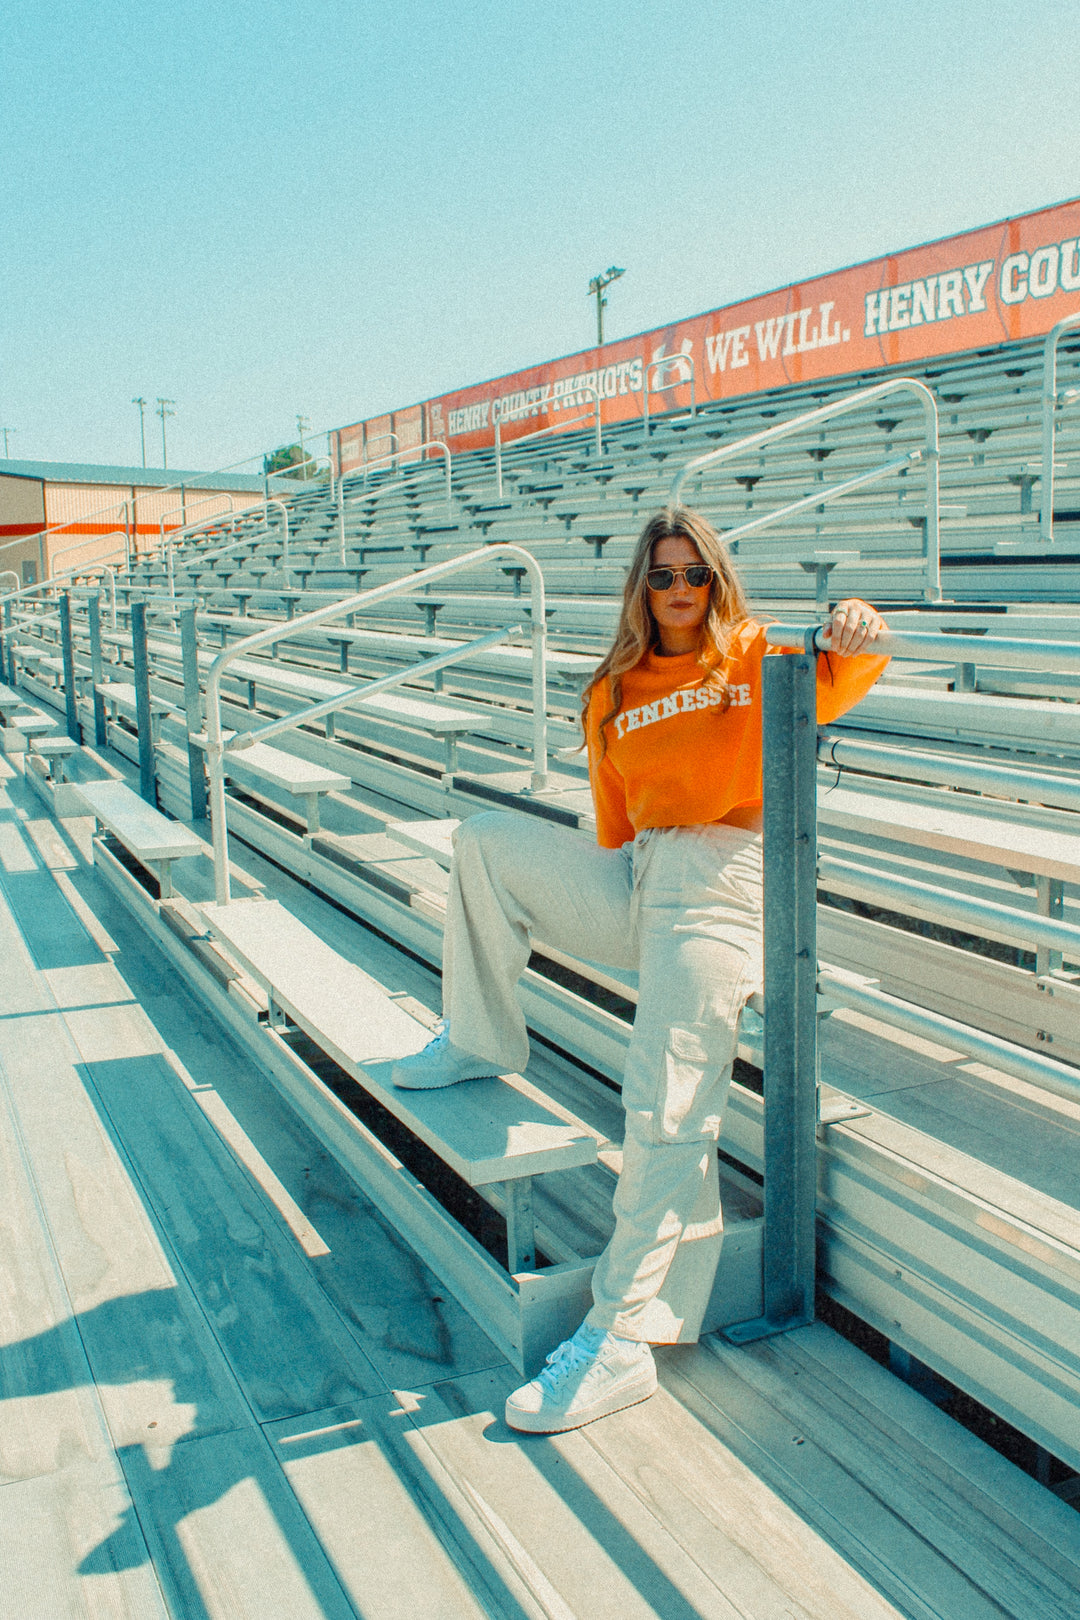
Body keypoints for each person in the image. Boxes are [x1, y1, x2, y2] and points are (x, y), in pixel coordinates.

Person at [392, 505, 889, 1432]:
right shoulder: (612, 688)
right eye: (660, 575)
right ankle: (477, 1035)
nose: (678, 591)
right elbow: (615, 826)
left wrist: (856, 625)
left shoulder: (754, 655)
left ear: (716, 578)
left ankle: (619, 1338)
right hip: (642, 871)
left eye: (693, 573)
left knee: (663, 1101)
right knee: (484, 842)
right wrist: (630, 897)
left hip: (723, 879)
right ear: (640, 585)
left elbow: (847, 667)